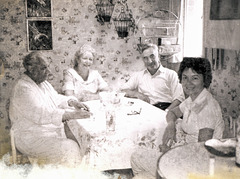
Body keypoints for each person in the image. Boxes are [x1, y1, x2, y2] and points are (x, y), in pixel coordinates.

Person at [130, 57, 225, 179]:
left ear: (205, 80)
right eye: (185, 77)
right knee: (141, 176)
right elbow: (172, 113)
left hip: (194, 166)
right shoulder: (193, 99)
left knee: (137, 157)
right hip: (185, 155)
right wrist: (171, 126)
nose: (188, 83)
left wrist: (169, 153)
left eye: (195, 78)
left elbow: (202, 153)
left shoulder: (207, 107)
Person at [9, 51, 92, 167]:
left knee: (80, 142)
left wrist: (72, 102)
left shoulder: (43, 83)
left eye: (47, 67)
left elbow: (56, 98)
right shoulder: (23, 88)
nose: (48, 72)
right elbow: (41, 114)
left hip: (45, 132)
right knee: (70, 149)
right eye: (44, 68)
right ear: (31, 69)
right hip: (30, 137)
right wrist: (71, 115)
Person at [121, 43, 184, 111]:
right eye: (145, 58)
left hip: (166, 108)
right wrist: (137, 94)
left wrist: (167, 112)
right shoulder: (139, 75)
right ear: (143, 60)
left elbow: (179, 98)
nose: (150, 61)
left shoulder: (171, 74)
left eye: (152, 56)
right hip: (146, 110)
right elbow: (122, 90)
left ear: (158, 56)